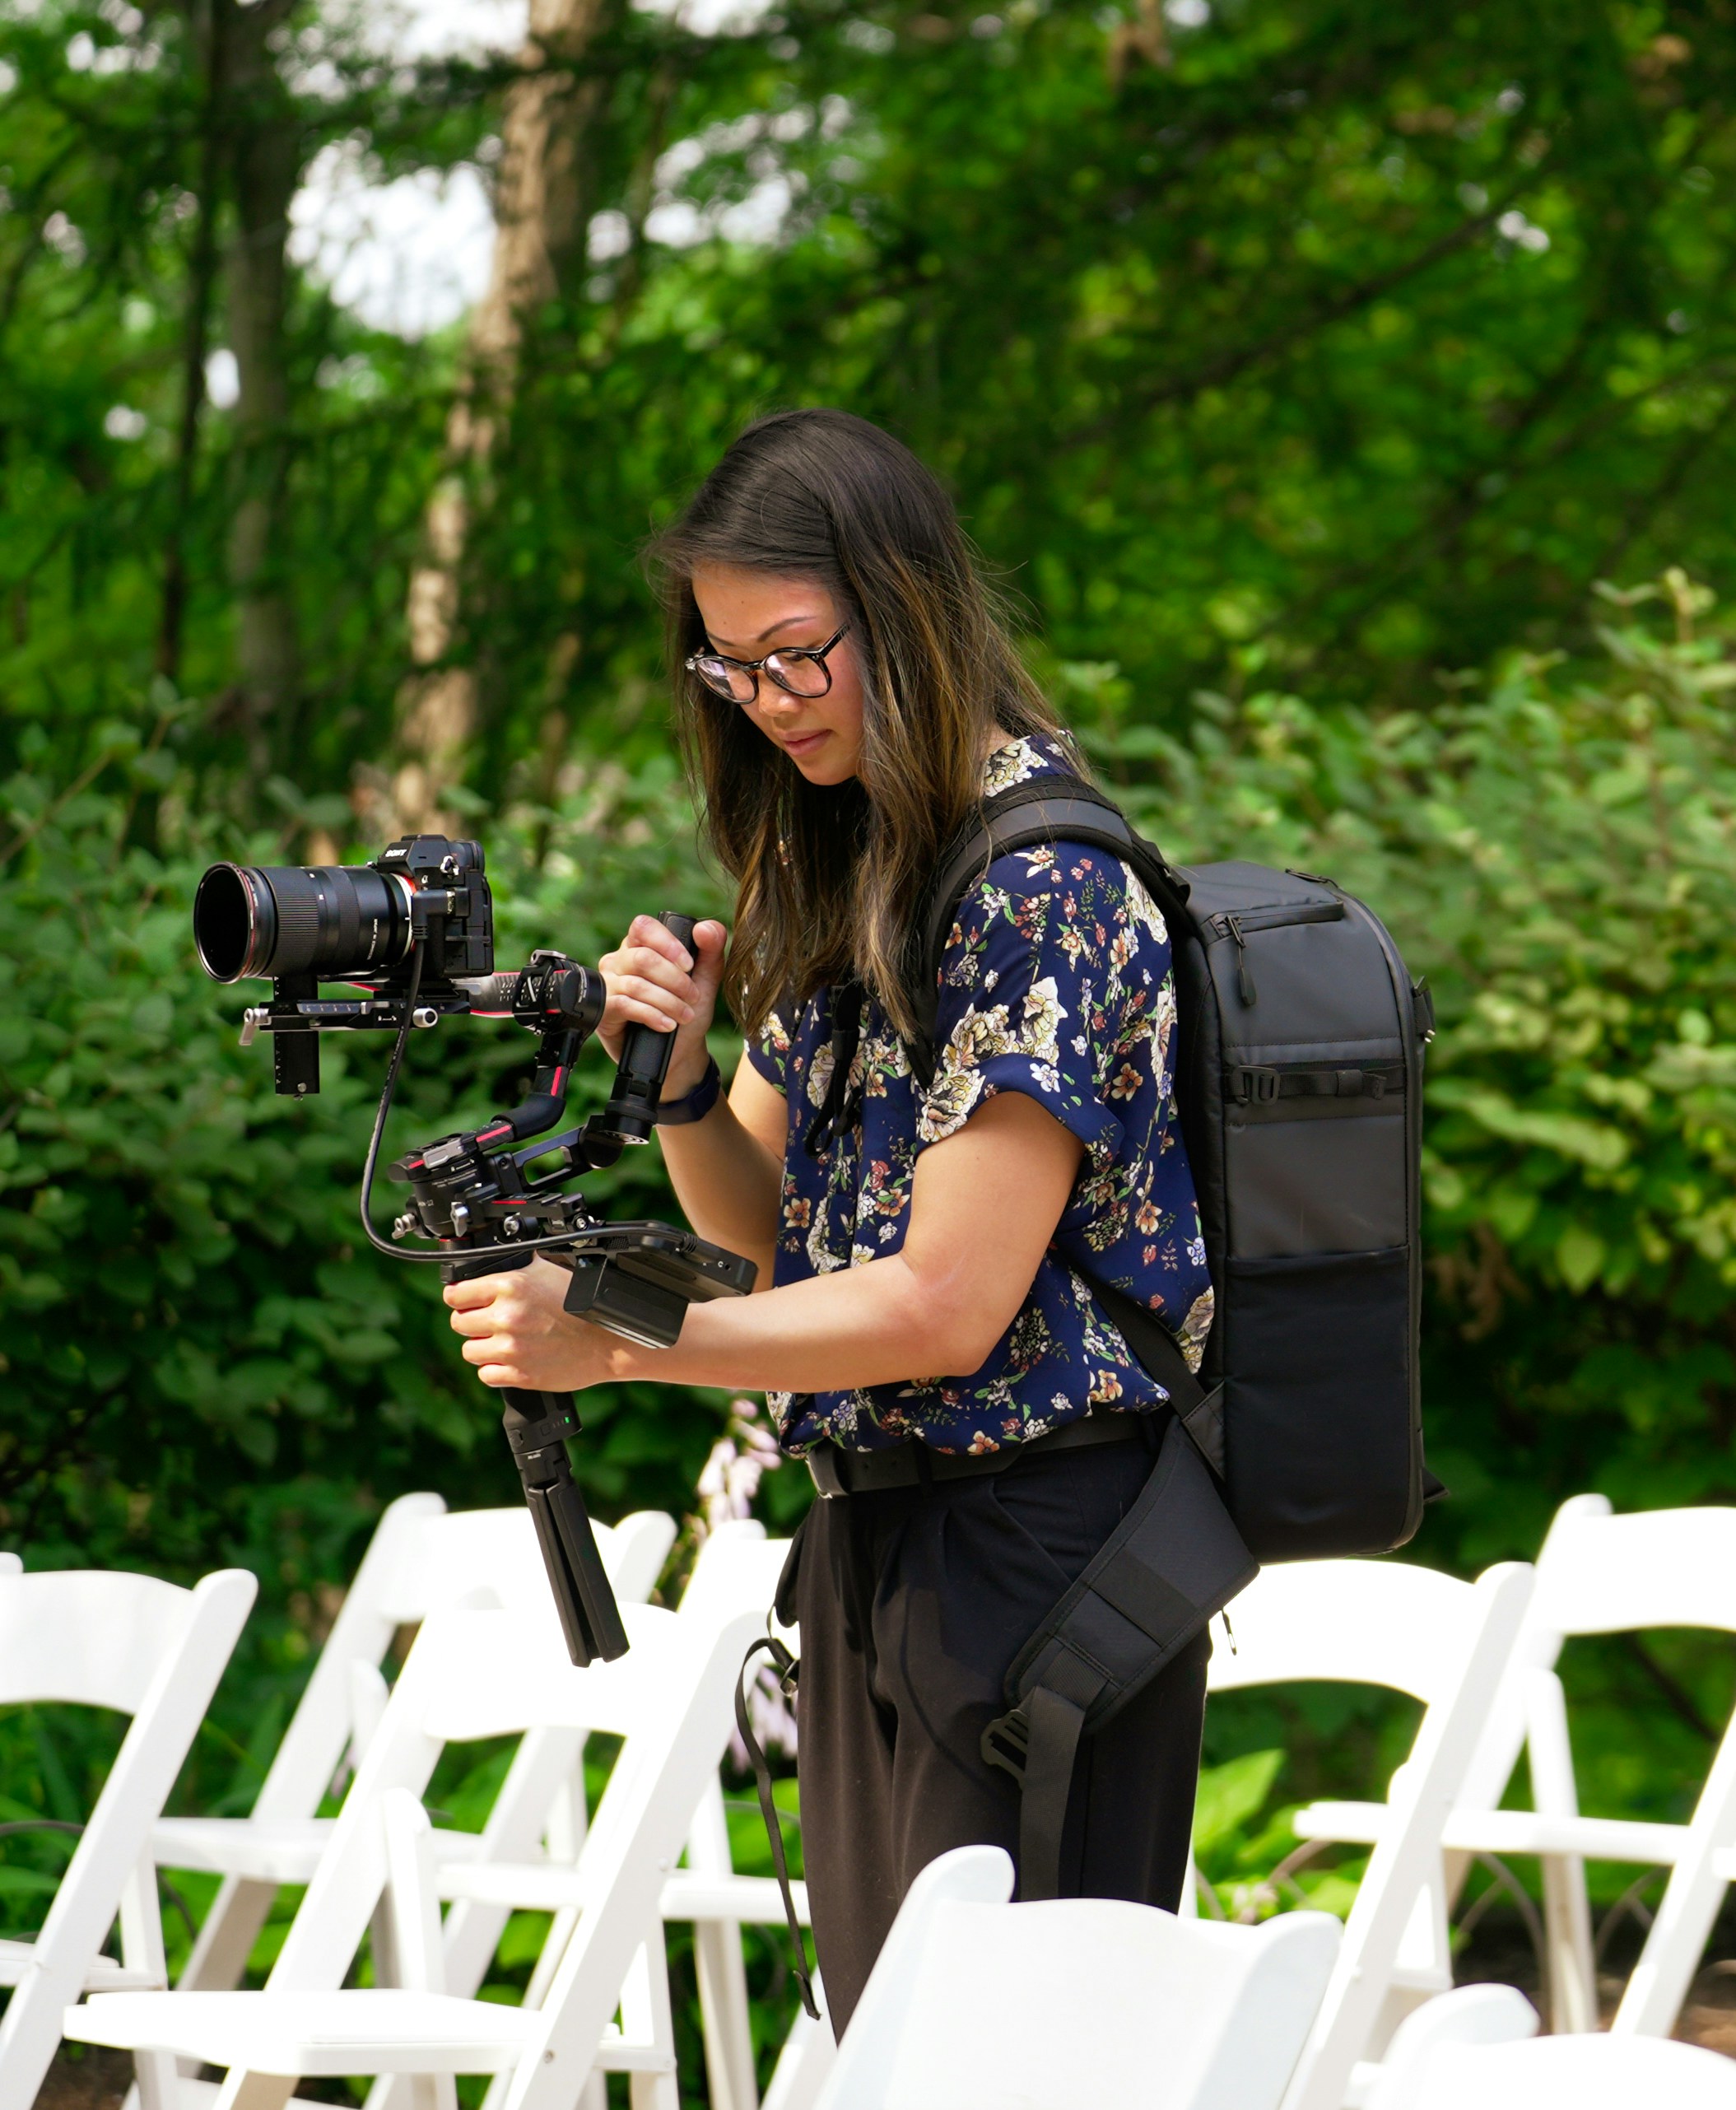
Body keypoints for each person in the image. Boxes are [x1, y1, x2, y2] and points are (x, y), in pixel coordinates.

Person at [442, 408, 1217, 2033]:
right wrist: (671, 1086)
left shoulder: (1035, 888)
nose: (767, 702)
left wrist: (622, 1344)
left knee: (1017, 2062)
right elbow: (773, 1233)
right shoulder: (866, 856)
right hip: (880, 1541)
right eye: (729, 668)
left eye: (796, 655)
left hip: (1043, 1556)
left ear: (905, 606)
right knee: (899, 2050)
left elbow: (942, 1301)